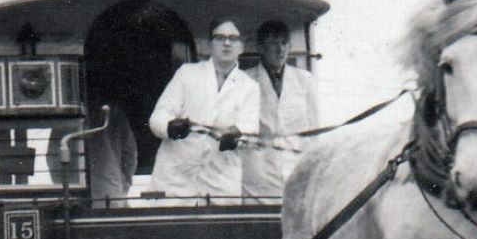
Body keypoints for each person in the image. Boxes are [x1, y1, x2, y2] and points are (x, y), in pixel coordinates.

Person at [148, 17, 259, 202]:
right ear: (209, 45)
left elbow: (250, 131)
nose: (226, 43)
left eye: (233, 38)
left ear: (242, 45)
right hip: (174, 183)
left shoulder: (250, 87)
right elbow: (158, 116)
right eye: (219, 37)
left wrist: (235, 136)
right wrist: (170, 127)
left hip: (220, 186)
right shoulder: (187, 74)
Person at [243, 20, 320, 200]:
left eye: (284, 44)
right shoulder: (244, 81)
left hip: (296, 170)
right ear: (260, 48)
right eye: (273, 43)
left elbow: (314, 133)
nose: (280, 50)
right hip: (258, 177)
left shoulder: (305, 80)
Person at [87, 101, 139, 205]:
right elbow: (130, 154)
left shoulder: (69, 116)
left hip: (71, 194)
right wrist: (124, 182)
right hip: (110, 191)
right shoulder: (113, 113)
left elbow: (54, 158)